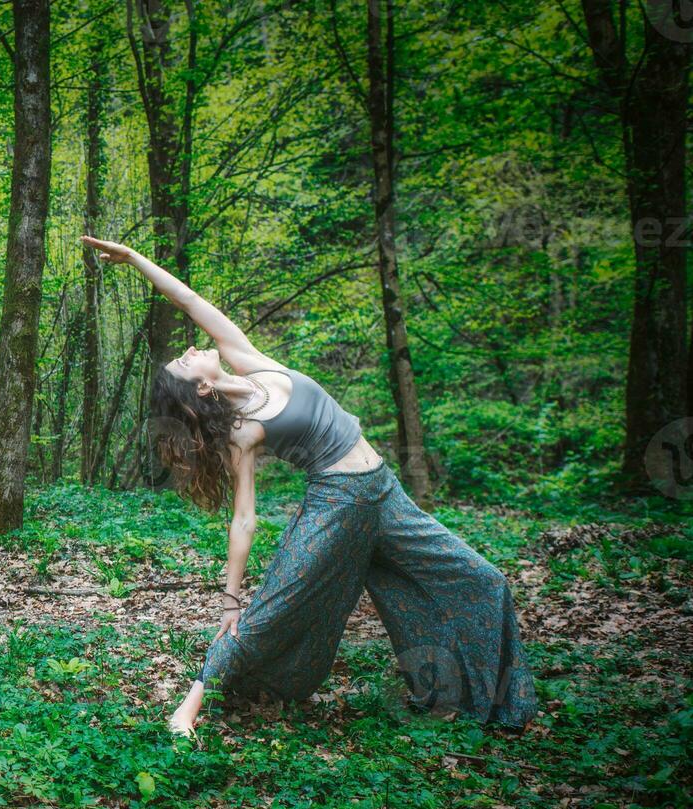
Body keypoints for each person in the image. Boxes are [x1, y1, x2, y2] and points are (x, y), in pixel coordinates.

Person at [79, 236, 537, 735]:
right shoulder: (241, 432)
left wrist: (134, 259)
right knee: (275, 604)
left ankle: (487, 702)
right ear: (201, 388)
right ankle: (190, 706)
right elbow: (245, 517)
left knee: (483, 579)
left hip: (385, 493)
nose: (191, 348)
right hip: (337, 504)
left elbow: (189, 301)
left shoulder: (250, 362)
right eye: (185, 363)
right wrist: (231, 598)